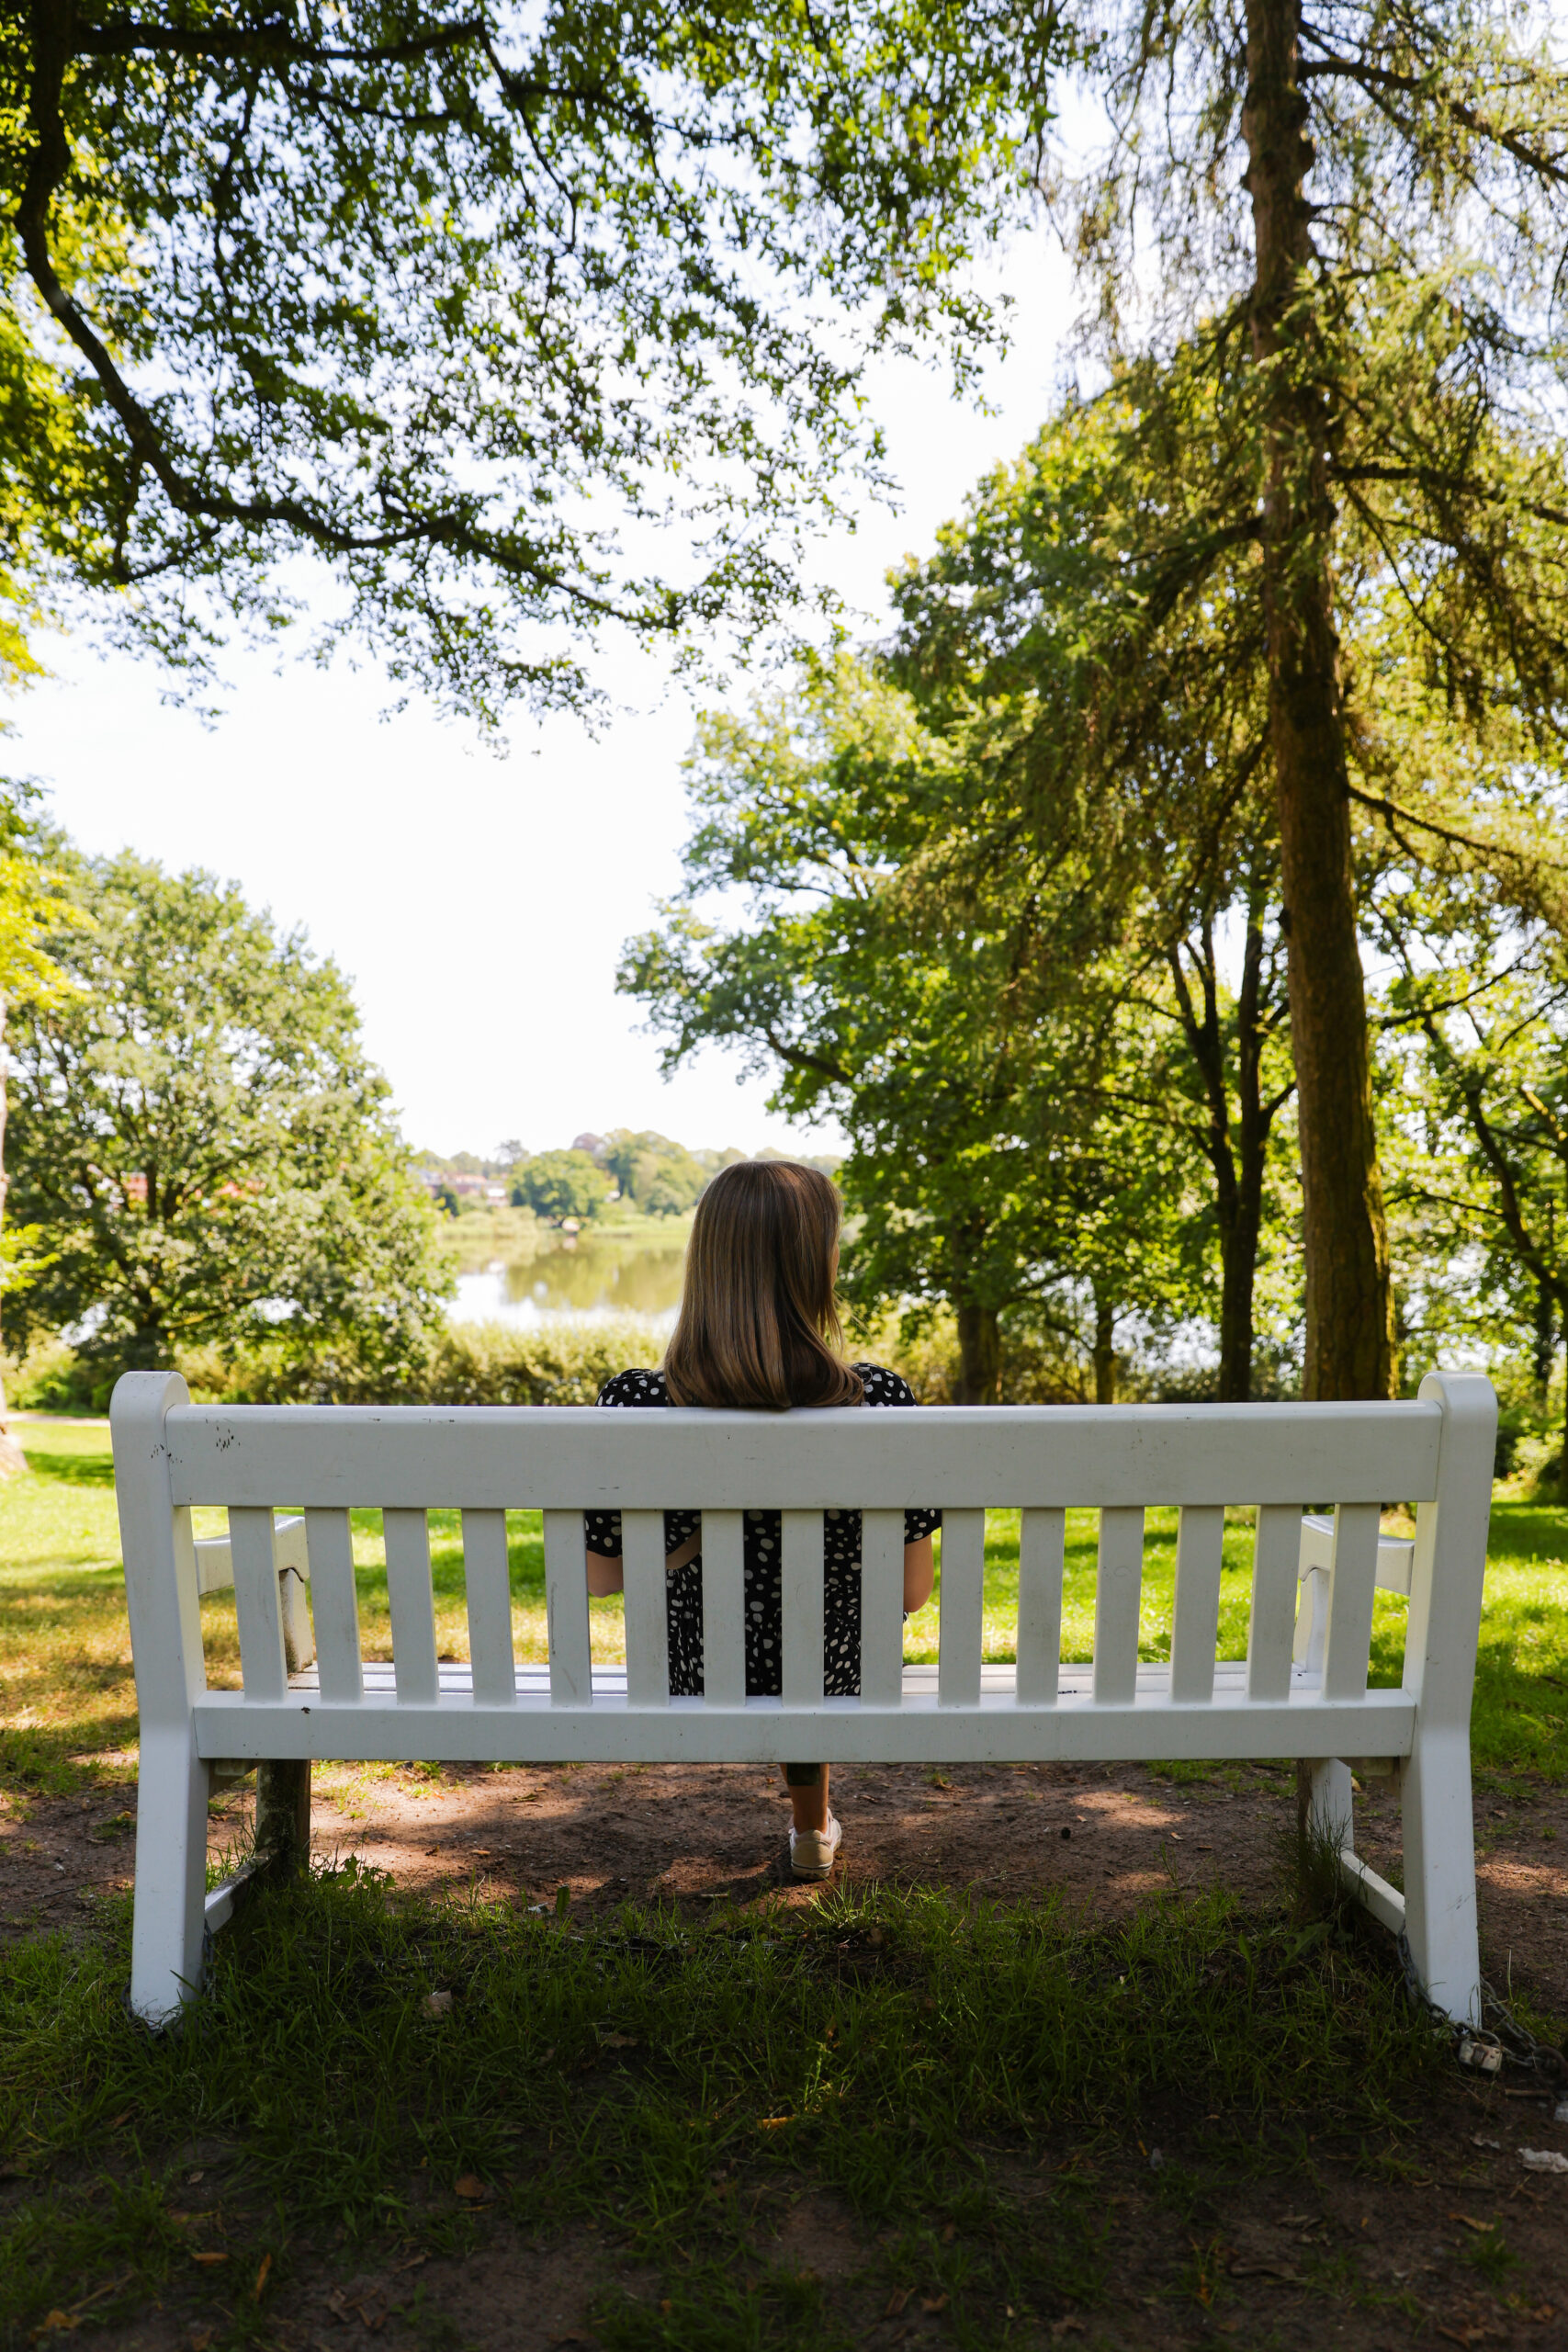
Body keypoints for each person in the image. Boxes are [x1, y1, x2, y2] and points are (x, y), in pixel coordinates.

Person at [581, 1158, 938, 1879]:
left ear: (706, 1263)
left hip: (696, 1669)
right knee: (804, 1641)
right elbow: (907, 1594)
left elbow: (598, 1578)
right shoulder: (879, 1400)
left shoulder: (637, 1403)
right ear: (817, 1263)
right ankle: (811, 1832)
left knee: (773, 1639)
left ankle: (811, 1829)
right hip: (842, 1673)